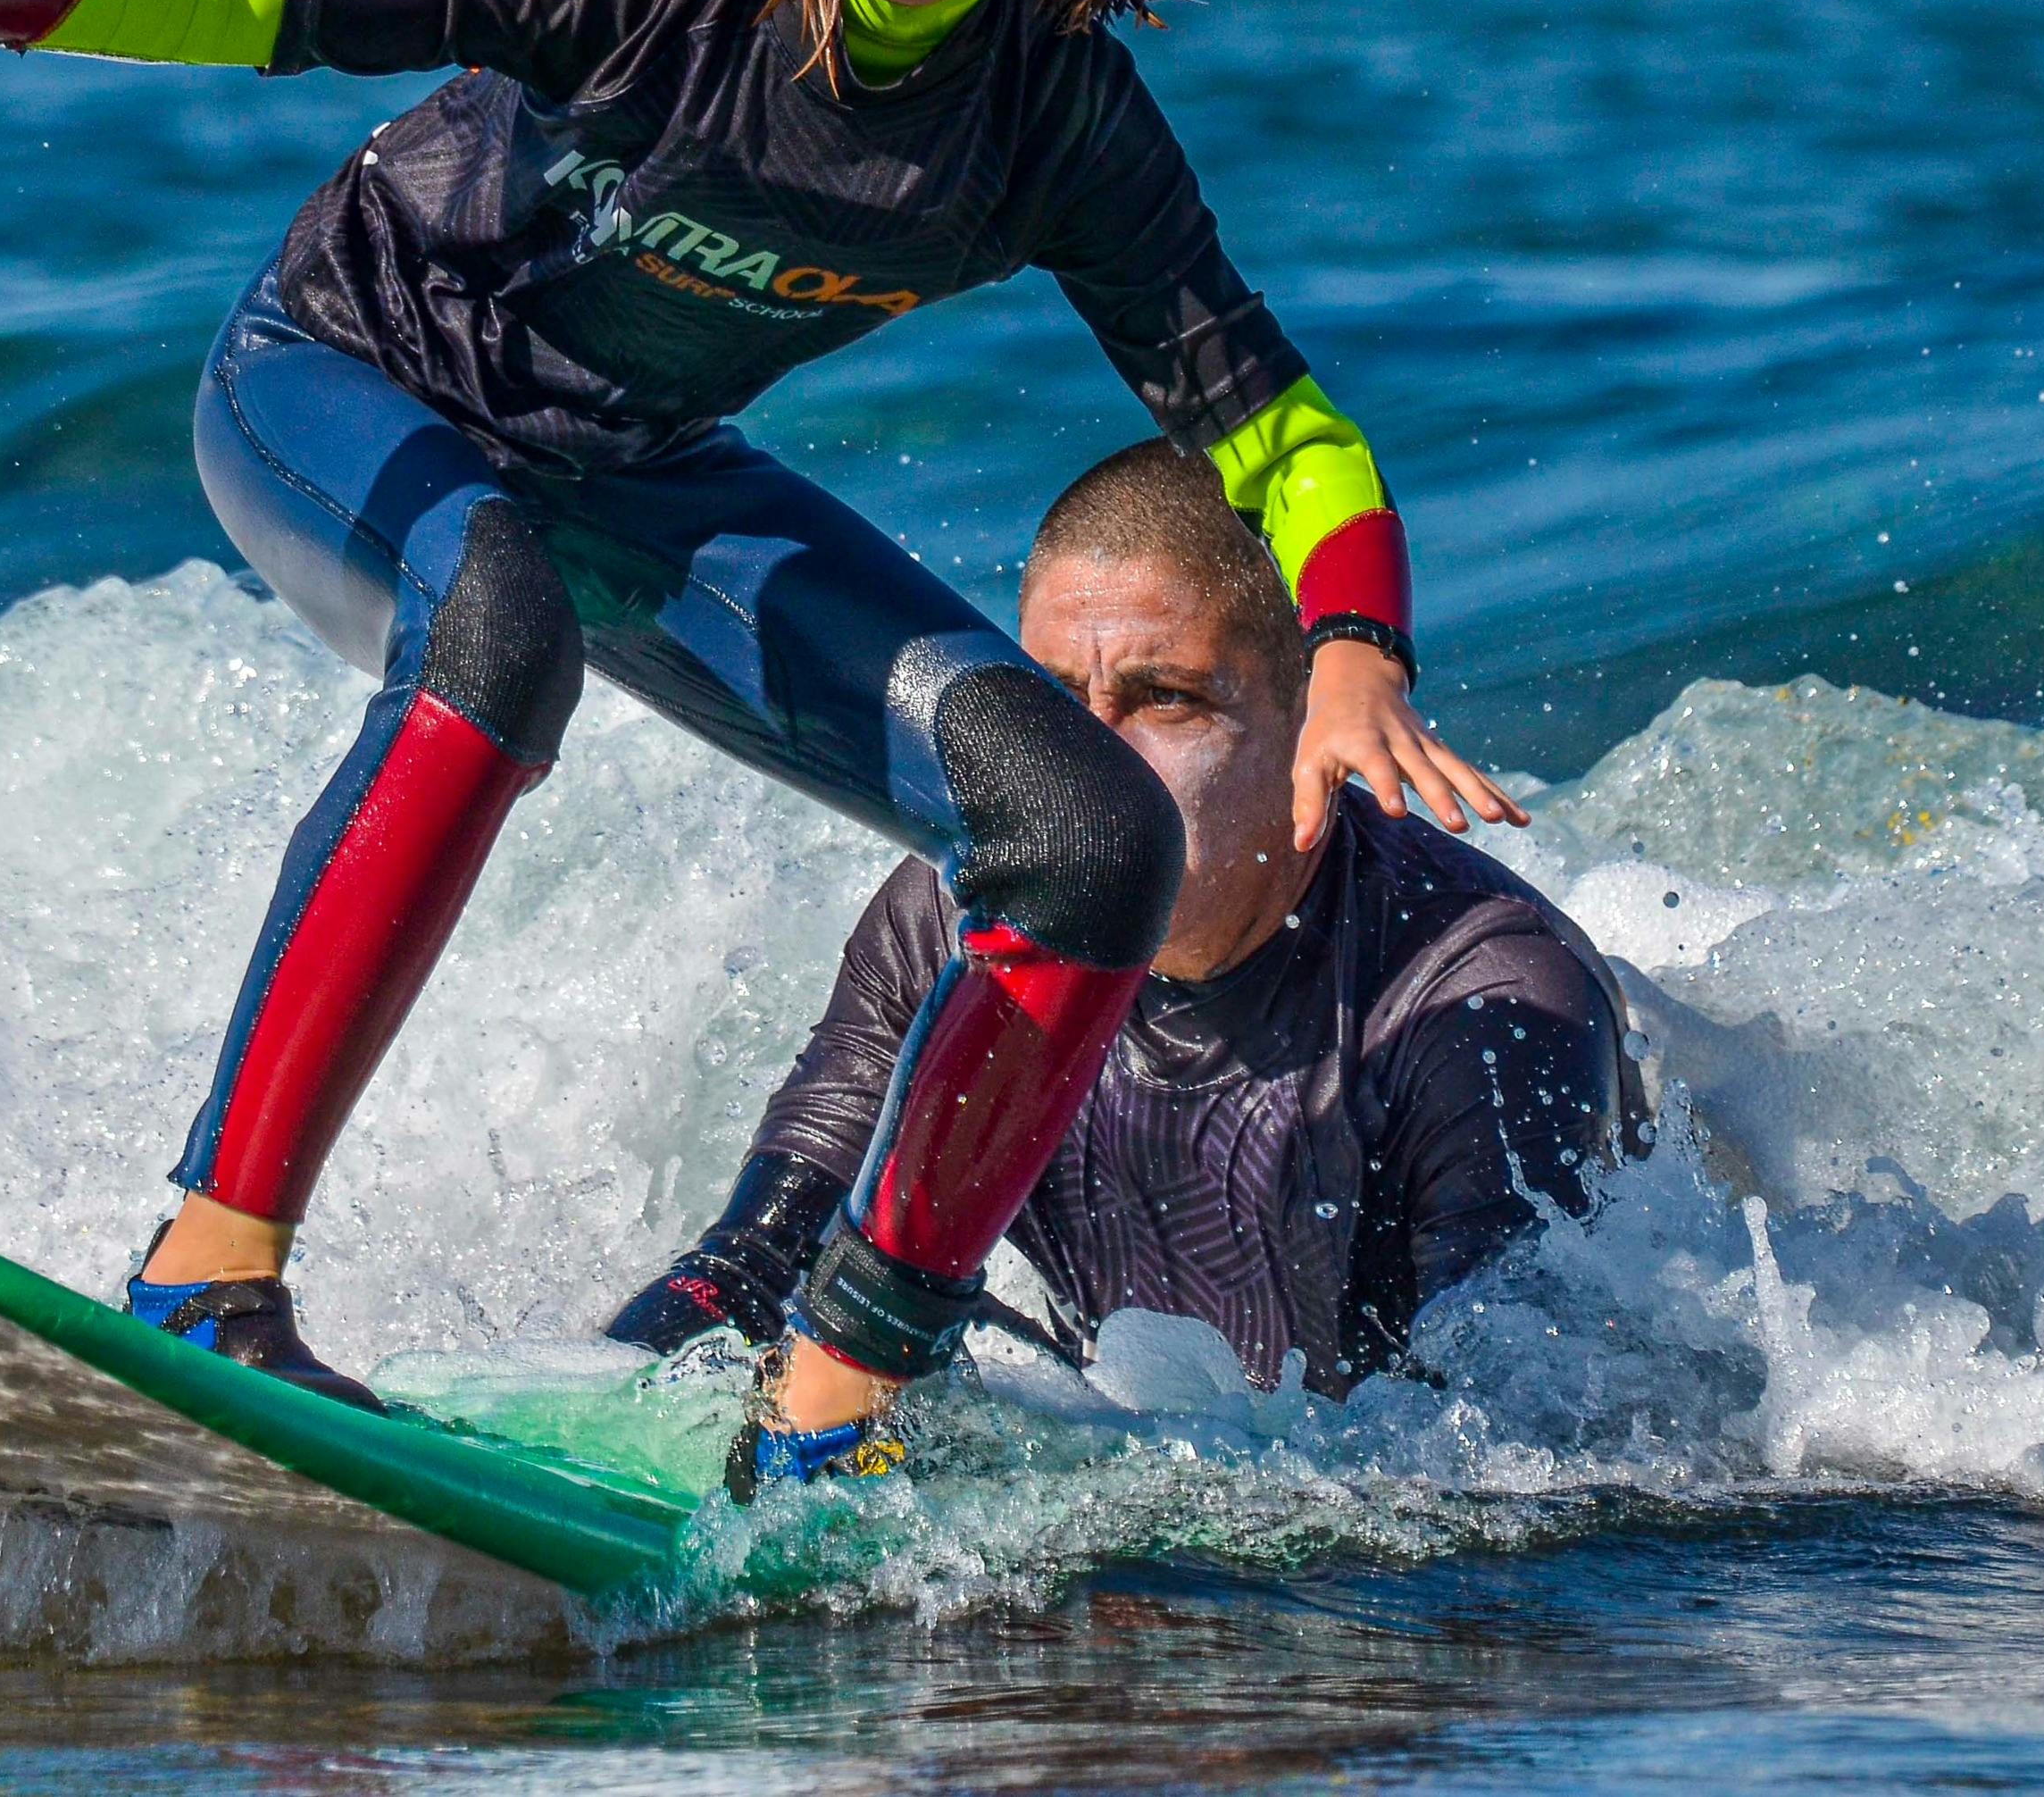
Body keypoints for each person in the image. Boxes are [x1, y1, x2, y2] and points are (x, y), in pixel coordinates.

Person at [0, 0, 1528, 1483]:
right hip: (340, 380)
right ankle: (208, 1273)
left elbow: (1259, 405)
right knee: (492, 626)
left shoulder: (1051, 121)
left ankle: (830, 1409)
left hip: (631, 468)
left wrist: (1357, 642)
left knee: (1086, 836)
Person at [609, 442, 1645, 1485]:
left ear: (1306, 728)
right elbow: (752, 1261)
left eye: (1165, 699)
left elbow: (1505, 1463)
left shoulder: (1486, 1006)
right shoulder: (949, 923)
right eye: (1048, 701)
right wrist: (608, 1407)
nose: (1089, 764)